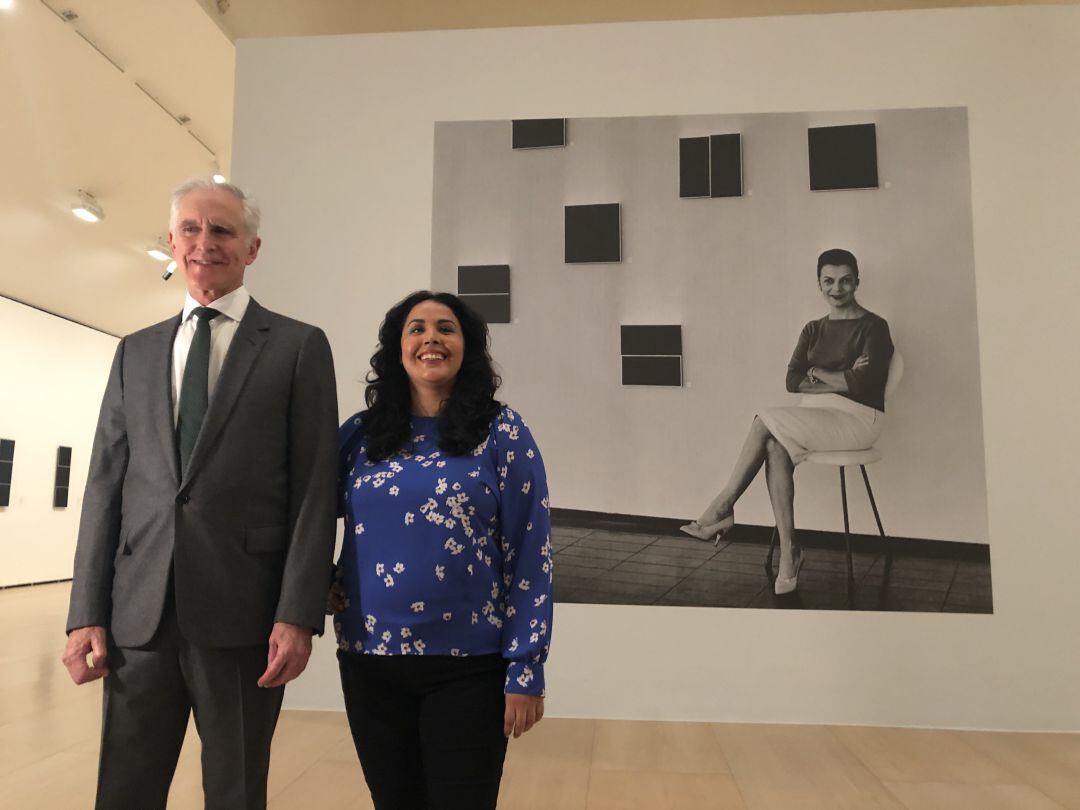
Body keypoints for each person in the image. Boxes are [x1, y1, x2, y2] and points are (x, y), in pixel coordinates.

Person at [62, 178, 339, 809]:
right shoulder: (136, 351)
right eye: (191, 228)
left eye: (222, 231)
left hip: (245, 617)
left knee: (236, 791)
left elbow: (314, 490)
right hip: (139, 617)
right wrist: (86, 612)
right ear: (171, 241)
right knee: (124, 789)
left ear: (252, 248)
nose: (204, 243)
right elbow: (106, 486)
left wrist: (298, 613)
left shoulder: (297, 347)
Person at [330, 290, 553, 810]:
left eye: (446, 328)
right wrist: (318, 576)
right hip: (370, 662)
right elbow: (303, 514)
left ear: (467, 347)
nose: (431, 337)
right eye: (416, 328)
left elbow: (530, 553)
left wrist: (526, 666)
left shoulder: (503, 433)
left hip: (469, 667)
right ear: (397, 348)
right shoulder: (359, 436)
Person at [681, 248, 893, 595]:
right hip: (814, 416)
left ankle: (722, 507)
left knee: (764, 418)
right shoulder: (813, 328)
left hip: (858, 420)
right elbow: (793, 380)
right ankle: (789, 552)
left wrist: (818, 372)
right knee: (773, 442)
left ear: (857, 281)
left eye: (845, 281)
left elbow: (863, 384)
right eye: (828, 281)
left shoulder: (874, 327)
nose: (836, 289)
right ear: (818, 284)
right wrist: (837, 377)